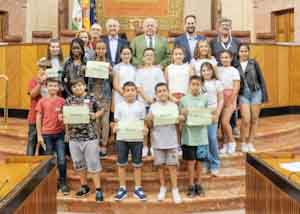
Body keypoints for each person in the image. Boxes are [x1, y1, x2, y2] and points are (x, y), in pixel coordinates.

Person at [64, 78, 104, 202]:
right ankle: (84, 186)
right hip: (74, 138)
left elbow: (102, 109)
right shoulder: (68, 100)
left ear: (84, 86)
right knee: (79, 164)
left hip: (90, 137)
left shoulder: (92, 98)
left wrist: (95, 115)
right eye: (74, 86)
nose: (77, 88)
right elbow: (66, 116)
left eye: (80, 85)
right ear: (71, 89)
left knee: (93, 163)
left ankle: (98, 189)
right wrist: (66, 133)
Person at [146, 82, 182, 204]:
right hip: (158, 142)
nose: (162, 93)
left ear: (168, 92)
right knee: (160, 167)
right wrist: (149, 120)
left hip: (171, 142)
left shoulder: (173, 106)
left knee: (172, 167)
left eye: (164, 90)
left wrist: (181, 119)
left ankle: (175, 189)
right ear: (156, 94)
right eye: (159, 91)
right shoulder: (153, 107)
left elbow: (177, 125)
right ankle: (163, 187)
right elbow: (150, 126)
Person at [179, 75, 215, 197]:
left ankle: (199, 184)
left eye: (197, 84)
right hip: (188, 137)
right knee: (191, 162)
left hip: (202, 137)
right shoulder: (183, 100)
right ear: (189, 85)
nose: (195, 86)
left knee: (200, 162)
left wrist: (211, 117)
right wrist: (182, 116)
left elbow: (208, 116)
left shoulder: (205, 99)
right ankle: (191, 185)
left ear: (201, 86)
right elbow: (181, 120)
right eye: (193, 84)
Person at [113, 81, 148, 201]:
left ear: (136, 92)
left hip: (137, 139)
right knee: (121, 164)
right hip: (122, 138)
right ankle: (122, 188)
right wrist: (115, 127)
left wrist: (145, 129)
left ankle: (138, 188)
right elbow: (116, 122)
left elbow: (143, 122)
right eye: (127, 90)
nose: (130, 92)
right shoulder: (119, 106)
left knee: (137, 164)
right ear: (123, 92)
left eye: (132, 90)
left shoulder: (141, 106)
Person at [36, 78, 69, 194]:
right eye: (50, 85)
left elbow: (66, 117)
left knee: (61, 160)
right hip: (46, 135)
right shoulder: (42, 101)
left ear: (58, 87)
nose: (53, 88)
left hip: (60, 134)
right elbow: (38, 118)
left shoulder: (62, 101)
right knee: (48, 161)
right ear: (46, 87)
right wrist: (39, 135)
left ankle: (63, 183)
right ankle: (49, 184)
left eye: (55, 86)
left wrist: (67, 132)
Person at [237, 44, 268, 153]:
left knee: (254, 119)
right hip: (243, 94)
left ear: (248, 52)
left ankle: (250, 142)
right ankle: (243, 142)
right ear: (238, 52)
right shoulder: (235, 65)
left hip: (256, 93)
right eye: (241, 51)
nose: (244, 53)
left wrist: (264, 96)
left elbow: (261, 79)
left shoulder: (253, 63)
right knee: (246, 120)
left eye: (245, 51)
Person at [135, 48, 165, 157]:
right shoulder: (139, 71)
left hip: (155, 101)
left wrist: (155, 98)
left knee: (154, 125)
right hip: (143, 102)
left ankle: (153, 146)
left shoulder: (158, 70)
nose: (149, 57)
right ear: (143, 58)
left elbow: (161, 86)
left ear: (154, 57)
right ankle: (144, 146)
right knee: (144, 125)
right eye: (146, 55)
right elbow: (138, 87)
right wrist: (147, 98)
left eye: (151, 55)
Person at [88, 40, 113, 158]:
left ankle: (104, 145)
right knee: (96, 121)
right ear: (95, 50)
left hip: (106, 95)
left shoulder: (109, 63)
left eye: (103, 48)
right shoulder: (91, 63)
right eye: (98, 48)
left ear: (106, 50)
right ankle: (96, 144)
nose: (100, 51)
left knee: (105, 121)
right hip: (94, 95)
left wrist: (111, 73)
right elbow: (89, 82)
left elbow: (112, 81)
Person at [200, 62, 224, 176]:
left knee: (212, 138)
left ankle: (215, 164)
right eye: (203, 70)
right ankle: (205, 162)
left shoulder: (217, 83)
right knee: (203, 140)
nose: (206, 72)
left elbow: (221, 100)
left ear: (212, 71)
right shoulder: (199, 84)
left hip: (213, 113)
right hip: (201, 114)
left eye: (208, 70)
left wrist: (217, 114)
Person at [218, 50, 240, 155]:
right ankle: (224, 144)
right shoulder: (218, 70)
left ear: (231, 58)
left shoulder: (234, 70)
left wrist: (231, 100)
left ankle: (232, 142)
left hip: (230, 97)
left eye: (226, 57)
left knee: (225, 121)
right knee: (222, 123)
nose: (224, 59)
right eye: (222, 57)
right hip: (220, 97)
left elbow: (236, 86)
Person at [26, 57, 50, 156]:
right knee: (32, 142)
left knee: (44, 145)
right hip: (34, 118)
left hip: (46, 119)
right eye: (42, 69)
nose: (44, 71)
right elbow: (33, 94)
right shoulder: (33, 81)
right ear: (38, 69)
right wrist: (40, 83)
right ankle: (28, 164)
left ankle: (41, 167)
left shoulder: (51, 83)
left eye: (47, 69)